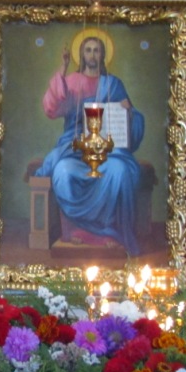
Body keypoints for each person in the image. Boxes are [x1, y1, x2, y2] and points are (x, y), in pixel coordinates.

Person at [36, 32, 145, 255]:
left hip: (108, 149)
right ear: (81, 54)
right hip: (76, 146)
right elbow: (51, 108)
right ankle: (79, 229)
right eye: (88, 50)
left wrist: (129, 112)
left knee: (120, 170)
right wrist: (63, 68)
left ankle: (109, 231)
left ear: (103, 55)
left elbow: (130, 119)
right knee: (63, 171)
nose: (92, 55)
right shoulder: (71, 81)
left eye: (97, 50)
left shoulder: (112, 84)